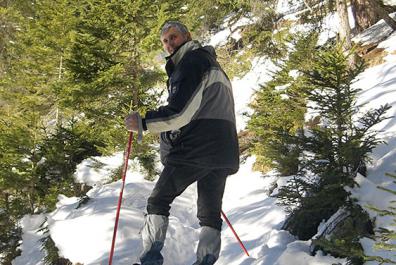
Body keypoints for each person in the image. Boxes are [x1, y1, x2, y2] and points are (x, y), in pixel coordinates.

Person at [125, 20, 239, 265]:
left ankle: (150, 260)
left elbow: (179, 113)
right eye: (165, 41)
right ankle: (206, 261)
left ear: (187, 36)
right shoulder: (211, 62)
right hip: (223, 150)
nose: (169, 44)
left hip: (197, 147)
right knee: (210, 213)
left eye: (173, 37)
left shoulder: (191, 62)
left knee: (158, 200)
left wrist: (144, 122)